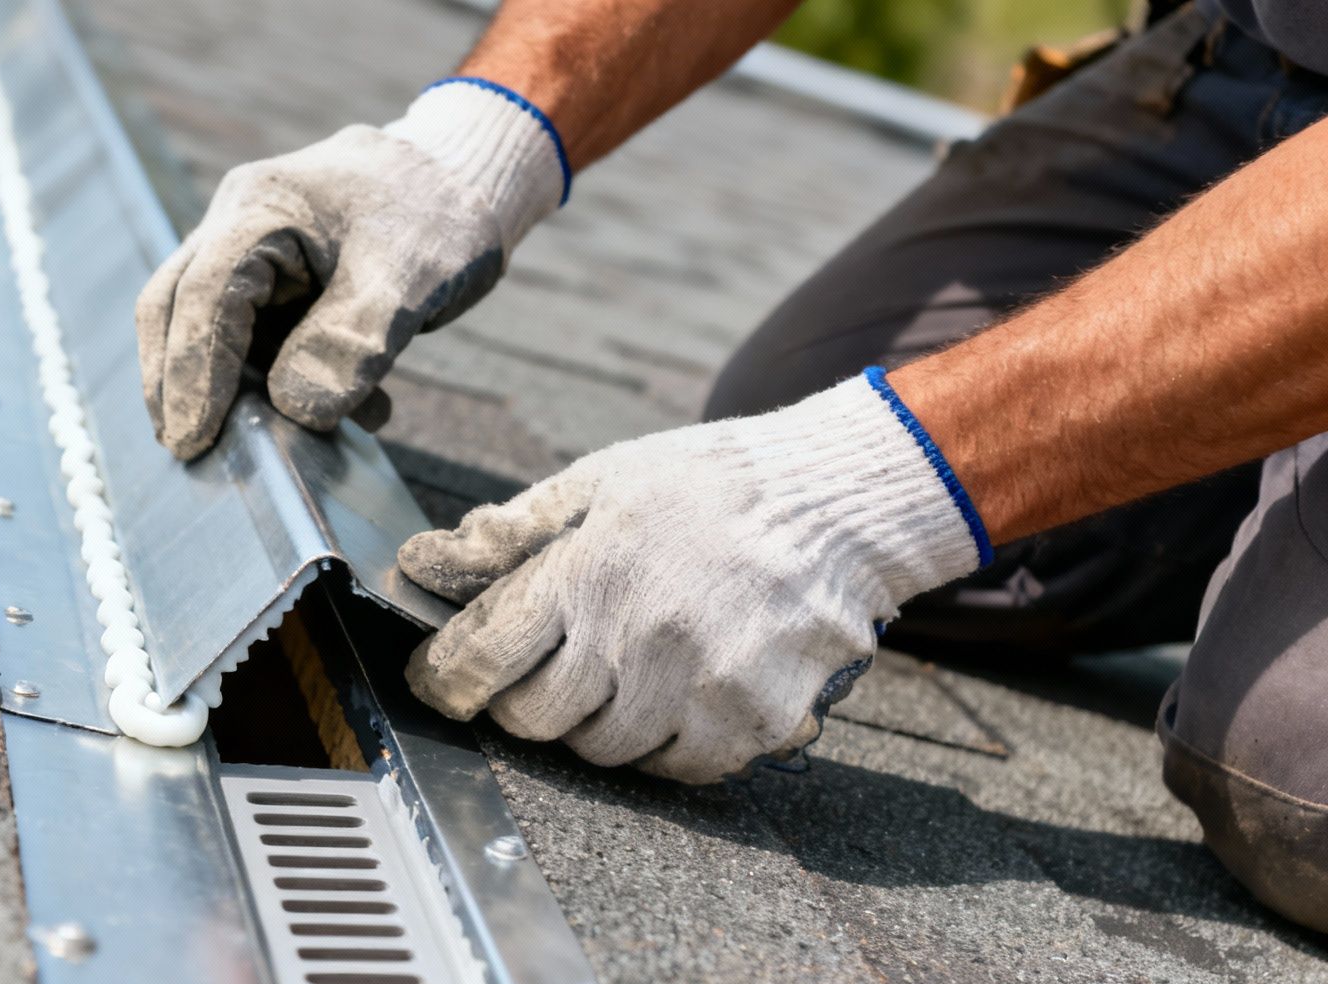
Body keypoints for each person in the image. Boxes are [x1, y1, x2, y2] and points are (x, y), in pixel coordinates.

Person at [134, 0, 1328, 931]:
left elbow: (867, 489)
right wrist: (472, 145)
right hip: (1263, 63)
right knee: (792, 413)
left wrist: (861, 495)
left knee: (1293, 776)